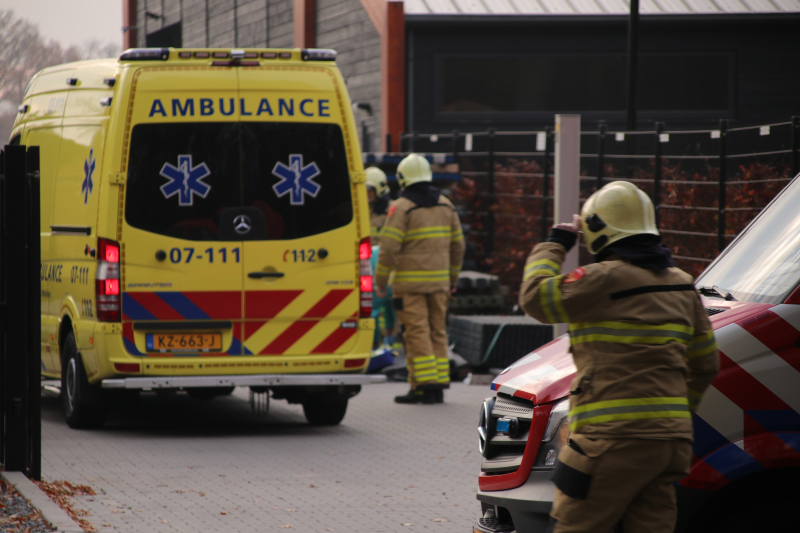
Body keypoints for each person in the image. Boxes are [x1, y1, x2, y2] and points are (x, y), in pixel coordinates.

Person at [518, 181, 719, 533]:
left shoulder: (603, 279)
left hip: (609, 442)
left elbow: (535, 297)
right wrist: (671, 414)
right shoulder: (682, 284)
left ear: (599, 231)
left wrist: (555, 243)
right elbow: (705, 364)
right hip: (668, 445)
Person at [375, 154, 465, 404]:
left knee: (416, 333)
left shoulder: (402, 207)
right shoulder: (446, 205)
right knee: (437, 331)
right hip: (439, 284)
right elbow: (459, 246)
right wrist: (452, 279)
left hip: (408, 285)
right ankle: (437, 385)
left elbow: (389, 248)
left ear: (403, 178)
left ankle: (423, 386)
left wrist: (380, 281)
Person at [366, 167, 391, 244]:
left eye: (370, 190)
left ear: (379, 188)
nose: (367, 193)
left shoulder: (390, 210)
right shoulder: (361, 210)